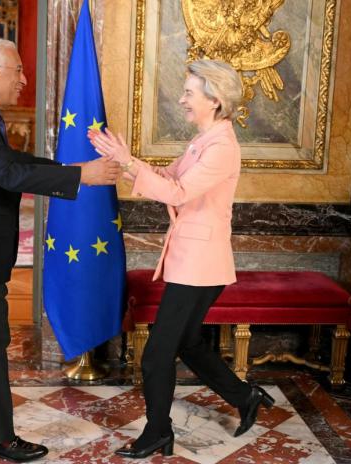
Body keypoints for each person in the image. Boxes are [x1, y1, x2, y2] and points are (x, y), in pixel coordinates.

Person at [0, 39, 120, 462]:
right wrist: (81, 174)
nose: (24, 79)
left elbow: (9, 161)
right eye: (18, 70)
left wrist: (70, 170)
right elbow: (9, 174)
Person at [89, 59, 275, 459]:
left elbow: (177, 193)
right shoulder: (203, 141)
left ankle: (158, 431)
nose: (182, 99)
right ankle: (246, 396)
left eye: (189, 93)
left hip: (200, 263)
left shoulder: (222, 147)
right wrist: (122, 161)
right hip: (194, 260)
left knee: (157, 353)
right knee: (188, 342)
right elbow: (167, 177)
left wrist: (126, 162)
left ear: (215, 99)